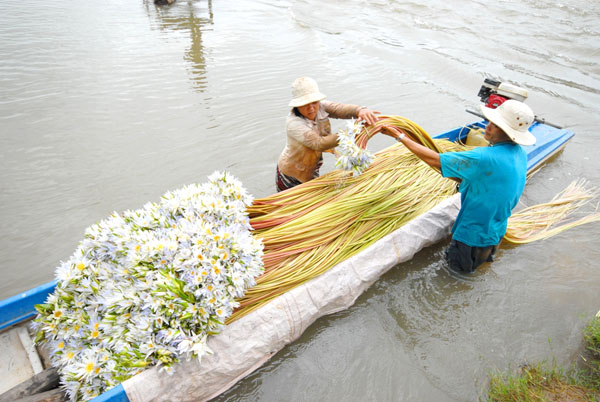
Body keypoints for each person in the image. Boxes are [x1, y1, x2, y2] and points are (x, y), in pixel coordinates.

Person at [382, 100, 536, 273]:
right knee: (477, 270)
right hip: (495, 232)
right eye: (490, 122)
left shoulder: (483, 157)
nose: (488, 126)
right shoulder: (519, 154)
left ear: (508, 133)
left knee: (455, 276)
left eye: (495, 125)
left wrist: (400, 137)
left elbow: (435, 159)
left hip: (471, 237)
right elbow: (487, 181)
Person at [276, 77, 380, 192]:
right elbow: (319, 143)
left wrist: (360, 110)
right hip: (292, 175)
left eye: (314, 102)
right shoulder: (294, 123)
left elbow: (339, 109)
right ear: (297, 105)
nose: (311, 108)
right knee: (295, 207)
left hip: (311, 168)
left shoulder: (321, 106)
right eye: (305, 104)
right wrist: (351, 133)